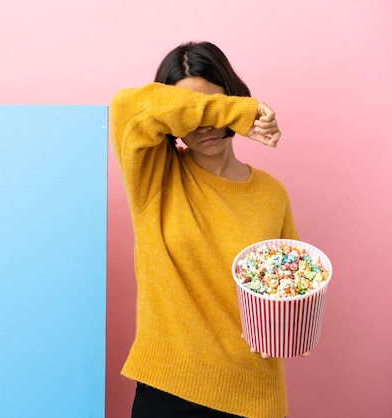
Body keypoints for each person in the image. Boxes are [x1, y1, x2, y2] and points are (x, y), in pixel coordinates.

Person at [110, 41, 300, 418]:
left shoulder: (271, 194)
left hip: (253, 393)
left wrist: (293, 324)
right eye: (190, 111)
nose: (205, 123)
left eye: (214, 104)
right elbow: (126, 106)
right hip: (168, 388)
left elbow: (288, 286)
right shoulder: (154, 176)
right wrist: (238, 113)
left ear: (231, 93)